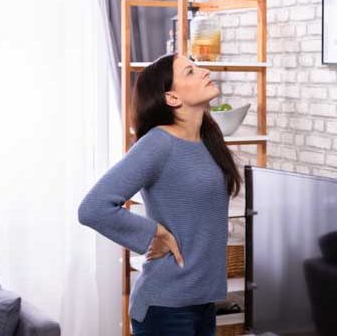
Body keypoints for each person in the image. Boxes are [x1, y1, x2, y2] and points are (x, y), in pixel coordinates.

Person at [78, 54, 240, 335]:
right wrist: (156, 233)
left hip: (202, 302)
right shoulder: (157, 144)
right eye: (190, 71)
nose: (205, 71)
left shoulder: (209, 140)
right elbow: (94, 207)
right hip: (166, 308)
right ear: (172, 98)